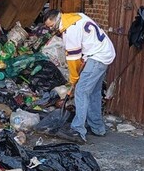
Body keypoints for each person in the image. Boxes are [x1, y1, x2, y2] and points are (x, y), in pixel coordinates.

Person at [43, 9, 116, 144]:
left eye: (51, 26)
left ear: (57, 20)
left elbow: (73, 59)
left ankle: (78, 130)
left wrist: (74, 79)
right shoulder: (75, 17)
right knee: (93, 92)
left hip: (97, 56)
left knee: (81, 91)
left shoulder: (70, 31)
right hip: (105, 52)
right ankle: (97, 128)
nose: (51, 29)